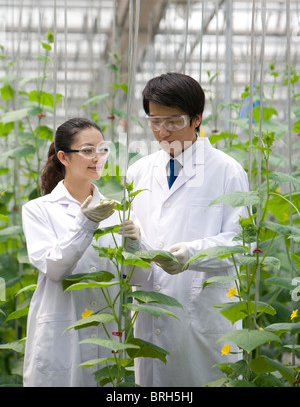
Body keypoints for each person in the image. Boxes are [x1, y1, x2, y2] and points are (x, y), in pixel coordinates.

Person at [127, 72, 249, 387]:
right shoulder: (138, 171)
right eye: (154, 121)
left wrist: (191, 254)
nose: (162, 131)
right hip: (150, 307)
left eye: (173, 121)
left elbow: (240, 242)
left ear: (196, 119)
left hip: (200, 311)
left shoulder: (226, 171)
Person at [22, 118, 142, 387]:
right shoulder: (39, 210)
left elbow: (132, 276)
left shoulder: (116, 210)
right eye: (88, 150)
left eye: (102, 150)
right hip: (62, 328)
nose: (97, 157)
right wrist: (86, 223)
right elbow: (54, 268)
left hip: (107, 330)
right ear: (63, 157)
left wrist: (136, 245)